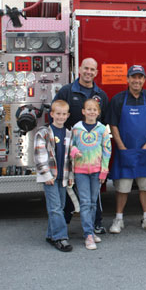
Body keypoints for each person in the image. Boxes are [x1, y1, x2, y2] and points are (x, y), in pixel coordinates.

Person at [107, 65, 146, 233]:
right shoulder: (118, 99)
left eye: (140, 77)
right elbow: (113, 124)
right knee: (122, 187)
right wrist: (121, 146)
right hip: (125, 150)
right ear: (128, 79)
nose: (137, 80)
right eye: (133, 77)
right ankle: (118, 219)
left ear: (144, 80)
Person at [53, 57, 109, 234]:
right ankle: (64, 221)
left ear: (96, 73)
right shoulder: (67, 91)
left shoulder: (101, 95)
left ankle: (96, 223)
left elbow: (105, 124)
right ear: (79, 69)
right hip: (70, 151)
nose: (89, 72)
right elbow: (54, 114)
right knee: (68, 185)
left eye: (93, 70)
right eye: (86, 68)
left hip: (92, 156)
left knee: (93, 195)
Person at [70, 99, 112, 250]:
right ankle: (88, 234)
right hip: (81, 171)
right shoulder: (76, 128)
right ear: (83, 111)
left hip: (96, 171)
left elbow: (107, 149)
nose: (92, 112)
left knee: (93, 203)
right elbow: (70, 144)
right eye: (89, 109)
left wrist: (104, 170)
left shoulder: (102, 129)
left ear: (98, 112)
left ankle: (91, 230)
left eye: (95, 109)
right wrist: (74, 151)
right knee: (85, 203)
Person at [34, 100, 73, 252]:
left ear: (68, 115)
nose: (61, 117)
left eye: (64, 114)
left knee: (60, 207)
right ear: (52, 114)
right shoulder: (43, 133)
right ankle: (61, 238)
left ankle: (51, 234)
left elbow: (69, 158)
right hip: (50, 177)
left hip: (63, 177)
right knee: (55, 207)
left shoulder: (68, 133)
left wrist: (70, 176)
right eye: (58, 114)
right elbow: (39, 155)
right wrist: (46, 174)